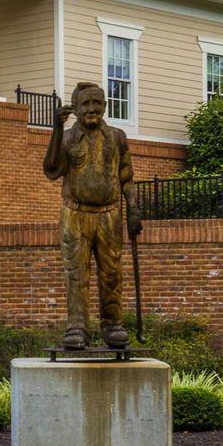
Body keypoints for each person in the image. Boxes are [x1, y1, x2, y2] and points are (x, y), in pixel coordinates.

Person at [41, 80, 139, 350]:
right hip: (75, 215)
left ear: (105, 105)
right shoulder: (67, 138)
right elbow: (51, 169)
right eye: (86, 104)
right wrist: (56, 129)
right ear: (75, 108)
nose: (92, 108)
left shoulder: (117, 137)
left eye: (97, 103)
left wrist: (133, 209)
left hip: (109, 215)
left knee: (112, 272)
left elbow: (127, 177)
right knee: (76, 273)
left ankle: (113, 324)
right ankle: (77, 327)